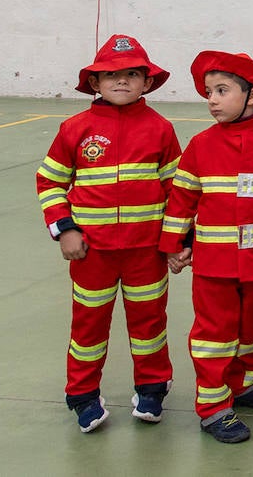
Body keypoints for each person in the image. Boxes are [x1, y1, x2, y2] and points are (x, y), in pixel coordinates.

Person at [160, 51, 253, 444]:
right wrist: (174, 245)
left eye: (222, 91)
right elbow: (182, 199)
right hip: (214, 263)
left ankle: (242, 385)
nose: (211, 99)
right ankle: (213, 408)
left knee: (249, 324)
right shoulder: (201, 144)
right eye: (209, 91)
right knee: (214, 333)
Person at [34, 34, 180, 433]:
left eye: (132, 74)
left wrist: (177, 242)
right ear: (94, 83)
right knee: (88, 325)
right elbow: (49, 184)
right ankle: (83, 396)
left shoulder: (161, 129)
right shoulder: (74, 128)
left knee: (150, 322)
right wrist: (65, 230)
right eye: (110, 75)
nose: (121, 81)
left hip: (146, 252)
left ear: (147, 83)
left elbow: (178, 193)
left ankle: (152, 389)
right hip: (91, 254)